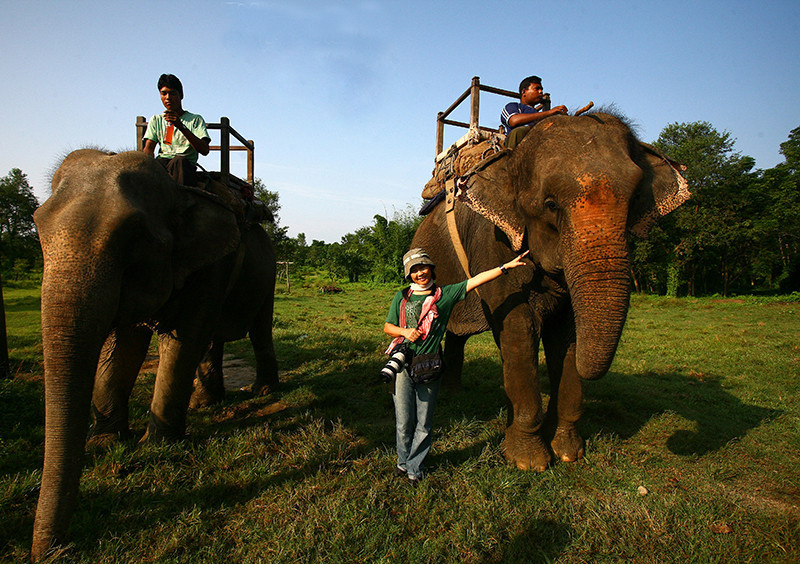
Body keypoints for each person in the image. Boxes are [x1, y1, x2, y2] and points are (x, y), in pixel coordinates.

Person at [383, 247, 529, 485]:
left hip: (428, 365)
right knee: (402, 421)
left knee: (424, 421)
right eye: (414, 269)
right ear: (409, 274)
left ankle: (414, 468)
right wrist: (404, 332)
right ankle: (402, 462)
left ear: (431, 268)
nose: (420, 273)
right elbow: (388, 327)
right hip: (402, 365)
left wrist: (504, 268)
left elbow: (476, 280)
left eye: (423, 267)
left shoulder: (445, 294)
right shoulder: (402, 296)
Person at [142, 74, 211, 186]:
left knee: (179, 161)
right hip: (163, 163)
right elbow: (149, 149)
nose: (168, 98)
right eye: (163, 93)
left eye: (172, 93)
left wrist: (180, 126)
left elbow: (204, 150)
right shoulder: (156, 120)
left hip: (184, 166)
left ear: (181, 95)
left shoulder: (195, 119)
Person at [500, 75, 568, 149]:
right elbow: (514, 120)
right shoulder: (513, 106)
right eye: (537, 89)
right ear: (524, 92)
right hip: (519, 146)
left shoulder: (538, 113)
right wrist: (549, 113)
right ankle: (511, 160)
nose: (541, 91)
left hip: (539, 143)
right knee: (518, 132)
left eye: (541, 89)